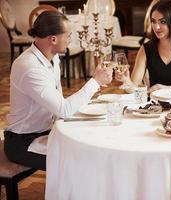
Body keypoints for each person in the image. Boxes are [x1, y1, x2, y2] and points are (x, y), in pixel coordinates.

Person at [4, 11, 113, 171]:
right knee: (82, 159)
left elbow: (58, 106)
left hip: (48, 131)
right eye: (68, 35)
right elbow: (63, 110)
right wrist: (95, 81)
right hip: (23, 142)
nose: (70, 40)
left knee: (94, 143)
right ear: (53, 39)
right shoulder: (29, 67)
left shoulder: (52, 57)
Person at [115, 0, 171, 94]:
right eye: (153, 21)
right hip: (154, 106)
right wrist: (127, 81)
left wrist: (168, 89)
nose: (156, 27)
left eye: (162, 22)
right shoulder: (146, 49)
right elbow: (133, 89)